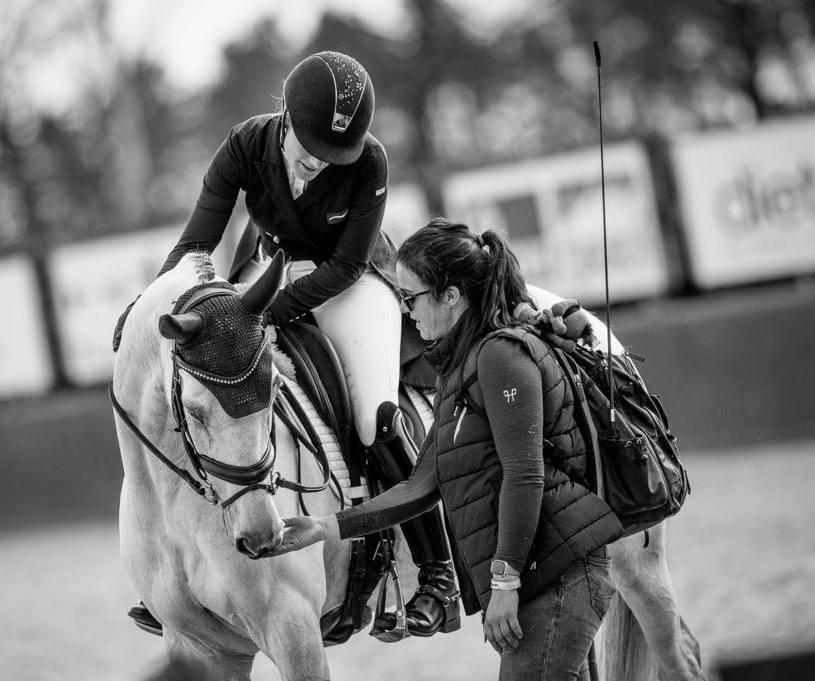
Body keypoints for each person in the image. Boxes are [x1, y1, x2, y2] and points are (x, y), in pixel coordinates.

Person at [129, 52, 459, 638]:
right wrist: (155, 304)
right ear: (282, 118)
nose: (315, 165)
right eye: (307, 149)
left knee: (373, 416)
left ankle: (436, 575)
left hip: (351, 285)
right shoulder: (243, 147)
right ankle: (182, 571)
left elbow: (348, 263)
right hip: (267, 275)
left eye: (331, 157)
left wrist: (268, 313)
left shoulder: (369, 162)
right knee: (200, 397)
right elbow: (195, 245)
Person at [269, 219, 624, 679]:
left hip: (558, 576)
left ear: (451, 295)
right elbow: (420, 486)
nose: (405, 312)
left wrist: (505, 582)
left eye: (410, 297)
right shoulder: (459, 369)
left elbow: (525, 475)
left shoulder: (501, 355)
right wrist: (324, 527)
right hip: (541, 575)